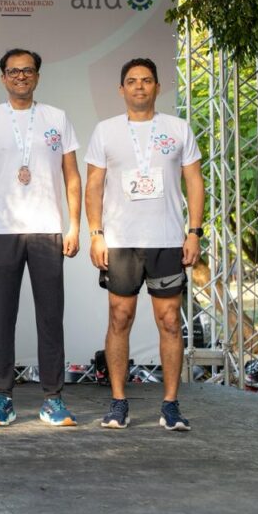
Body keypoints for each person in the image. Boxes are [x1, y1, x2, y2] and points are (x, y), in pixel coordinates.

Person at [84, 57, 203, 431]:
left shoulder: (178, 129)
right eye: (132, 81)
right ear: (121, 89)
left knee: (170, 321)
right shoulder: (105, 131)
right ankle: (119, 402)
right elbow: (93, 186)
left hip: (166, 239)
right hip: (121, 242)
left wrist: (194, 232)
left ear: (157, 87)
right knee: (119, 318)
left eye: (147, 80)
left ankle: (170, 405)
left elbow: (194, 181)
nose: (139, 86)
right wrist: (96, 233)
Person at [0, 48, 82, 427]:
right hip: (3, 231)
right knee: (2, 317)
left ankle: (53, 398)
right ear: (3, 77)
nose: (21, 76)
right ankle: (2, 397)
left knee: (51, 316)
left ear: (37, 76)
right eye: (14, 71)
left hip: (47, 230)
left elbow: (72, 176)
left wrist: (74, 226)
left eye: (28, 70)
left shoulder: (56, 118)